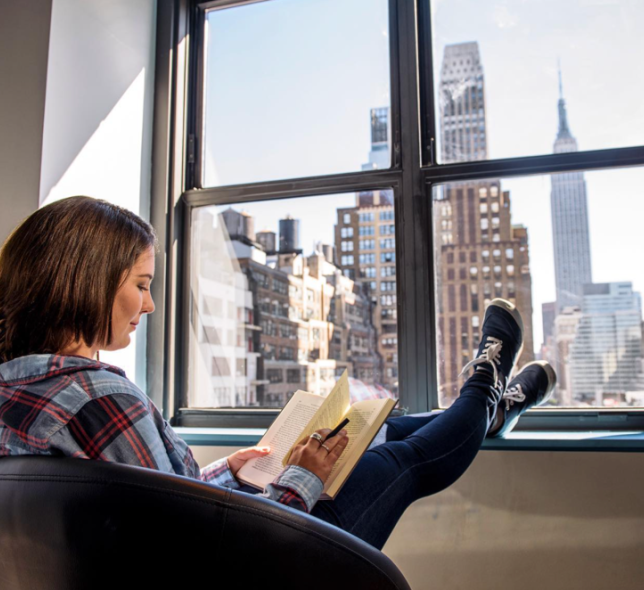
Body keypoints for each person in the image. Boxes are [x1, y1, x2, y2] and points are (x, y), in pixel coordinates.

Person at [0, 196, 555, 550]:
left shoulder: (15, 388)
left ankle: (491, 408)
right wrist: (304, 478)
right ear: (84, 281)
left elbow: (147, 516)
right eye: (142, 285)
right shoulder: (100, 396)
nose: (148, 307)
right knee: (400, 457)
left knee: (386, 431)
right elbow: (191, 556)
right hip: (254, 576)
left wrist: (225, 473)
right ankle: (486, 384)